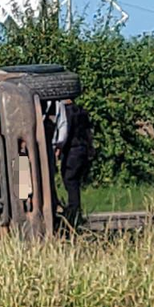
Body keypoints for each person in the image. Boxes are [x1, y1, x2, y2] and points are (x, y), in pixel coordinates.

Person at [56, 98, 94, 229]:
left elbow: (65, 132)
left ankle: (73, 212)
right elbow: (89, 132)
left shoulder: (66, 112)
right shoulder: (82, 111)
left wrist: (59, 148)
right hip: (82, 148)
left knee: (69, 180)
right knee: (74, 181)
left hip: (72, 149)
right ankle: (74, 211)